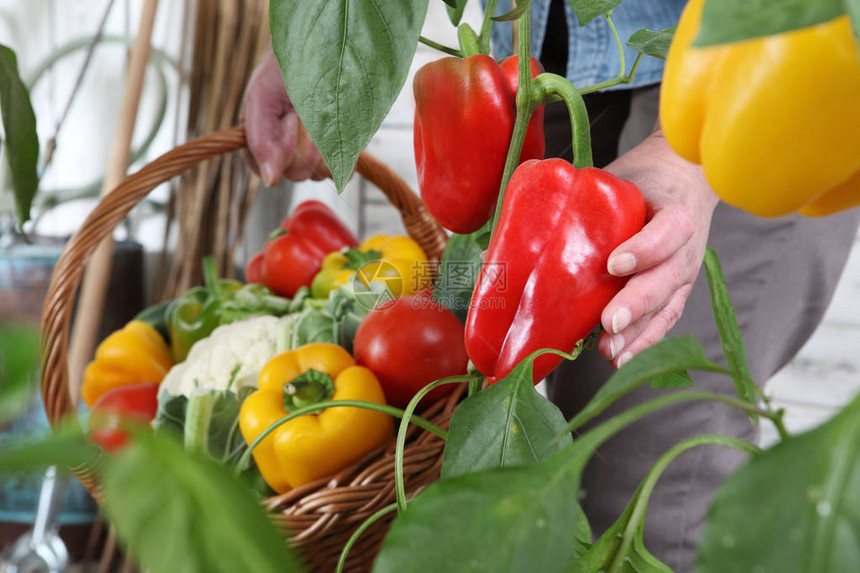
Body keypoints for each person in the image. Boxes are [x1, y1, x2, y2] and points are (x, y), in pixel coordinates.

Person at [240, 1, 860, 570]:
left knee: (649, 467)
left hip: (766, 80)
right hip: (543, 55)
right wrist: (313, 49)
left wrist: (688, 154)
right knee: (556, 428)